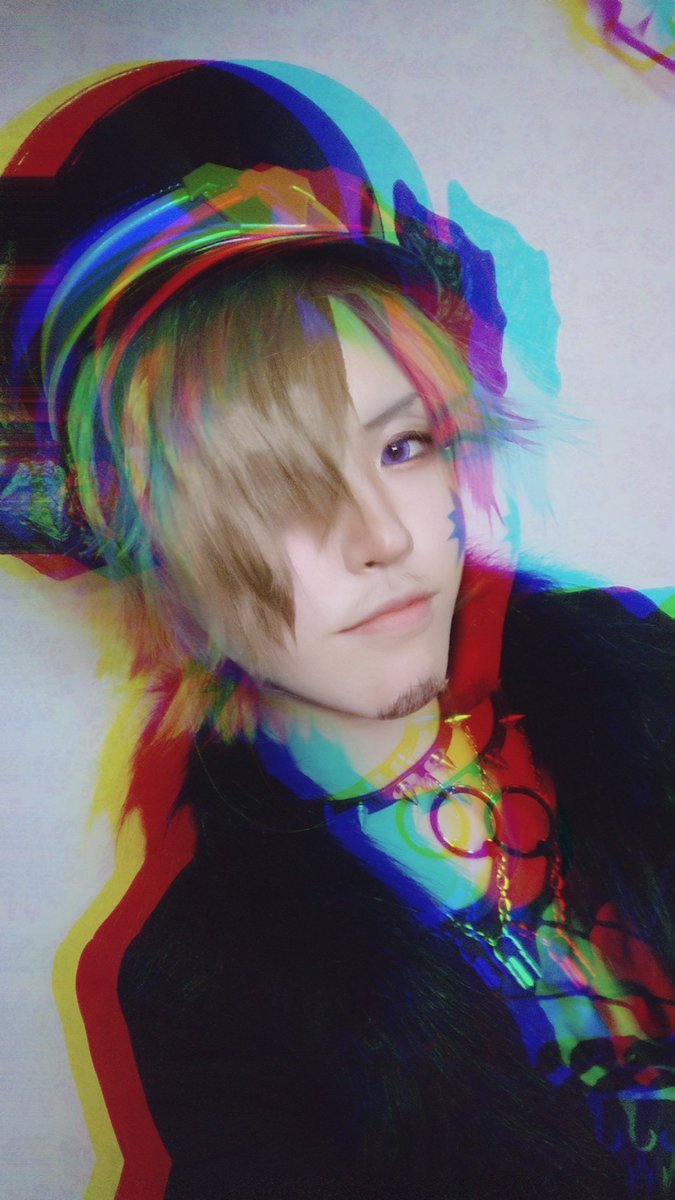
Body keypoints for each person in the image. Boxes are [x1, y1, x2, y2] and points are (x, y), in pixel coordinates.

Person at [3, 61, 674, 1200]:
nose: (384, 537)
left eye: (402, 446)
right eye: (278, 489)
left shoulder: (644, 682)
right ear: (146, 545)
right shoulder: (204, 992)